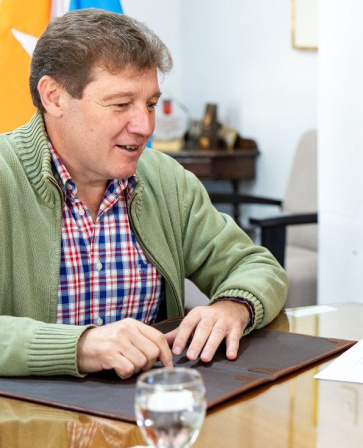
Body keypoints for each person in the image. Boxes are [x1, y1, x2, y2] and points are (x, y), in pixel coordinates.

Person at [0, 9, 288, 379]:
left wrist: (233, 307)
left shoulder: (165, 179)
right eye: (121, 104)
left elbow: (256, 267)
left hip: (151, 415)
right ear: (54, 97)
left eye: (150, 104)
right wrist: (81, 346)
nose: (144, 126)